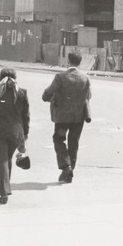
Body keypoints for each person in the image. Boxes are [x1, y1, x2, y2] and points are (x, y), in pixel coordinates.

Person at [0, 68, 30, 205]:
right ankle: (6, 187)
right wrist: (25, 134)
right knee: (7, 158)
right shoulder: (22, 92)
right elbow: (26, 116)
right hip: (16, 132)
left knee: (2, 160)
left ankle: (3, 192)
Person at [43, 51, 92, 184]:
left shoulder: (60, 77)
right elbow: (88, 96)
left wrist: (47, 98)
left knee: (58, 139)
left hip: (62, 118)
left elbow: (48, 92)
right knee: (73, 143)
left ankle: (66, 167)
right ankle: (69, 172)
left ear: (68, 61)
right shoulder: (85, 78)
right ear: (80, 62)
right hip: (79, 117)